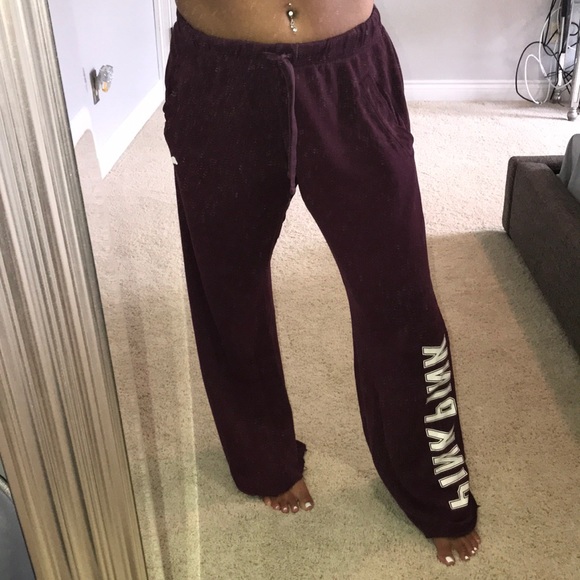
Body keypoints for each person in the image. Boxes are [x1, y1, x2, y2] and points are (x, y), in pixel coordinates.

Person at [164, 0, 480, 567]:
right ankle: (264, 459)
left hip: (349, 68)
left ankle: (435, 483)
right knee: (229, 292)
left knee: (401, 294)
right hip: (221, 73)